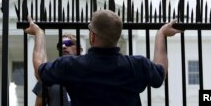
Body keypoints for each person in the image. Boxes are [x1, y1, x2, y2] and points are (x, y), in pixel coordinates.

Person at [25, 9, 182, 106]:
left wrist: (39, 33)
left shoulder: (72, 66)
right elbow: (161, 74)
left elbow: (39, 69)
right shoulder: (137, 65)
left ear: (92, 36)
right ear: (117, 36)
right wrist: (161, 34)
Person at [32, 33, 82, 106]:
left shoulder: (87, 72)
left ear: (79, 49)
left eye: (68, 43)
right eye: (60, 45)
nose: (63, 46)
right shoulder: (49, 73)